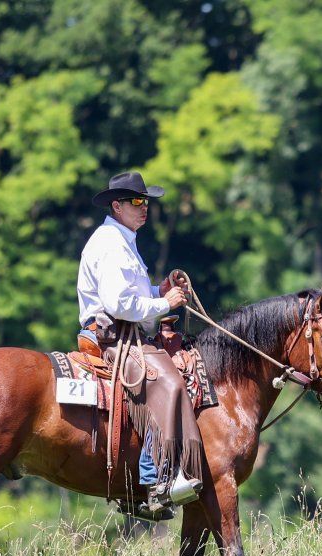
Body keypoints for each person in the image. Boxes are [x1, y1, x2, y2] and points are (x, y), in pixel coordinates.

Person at [78, 171, 202, 520]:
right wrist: (166, 304)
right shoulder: (111, 244)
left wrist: (159, 291)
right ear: (116, 205)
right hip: (114, 336)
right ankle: (156, 480)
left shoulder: (122, 239)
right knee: (169, 381)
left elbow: (133, 295)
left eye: (145, 201)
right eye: (136, 201)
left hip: (124, 332)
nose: (143, 207)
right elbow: (119, 305)